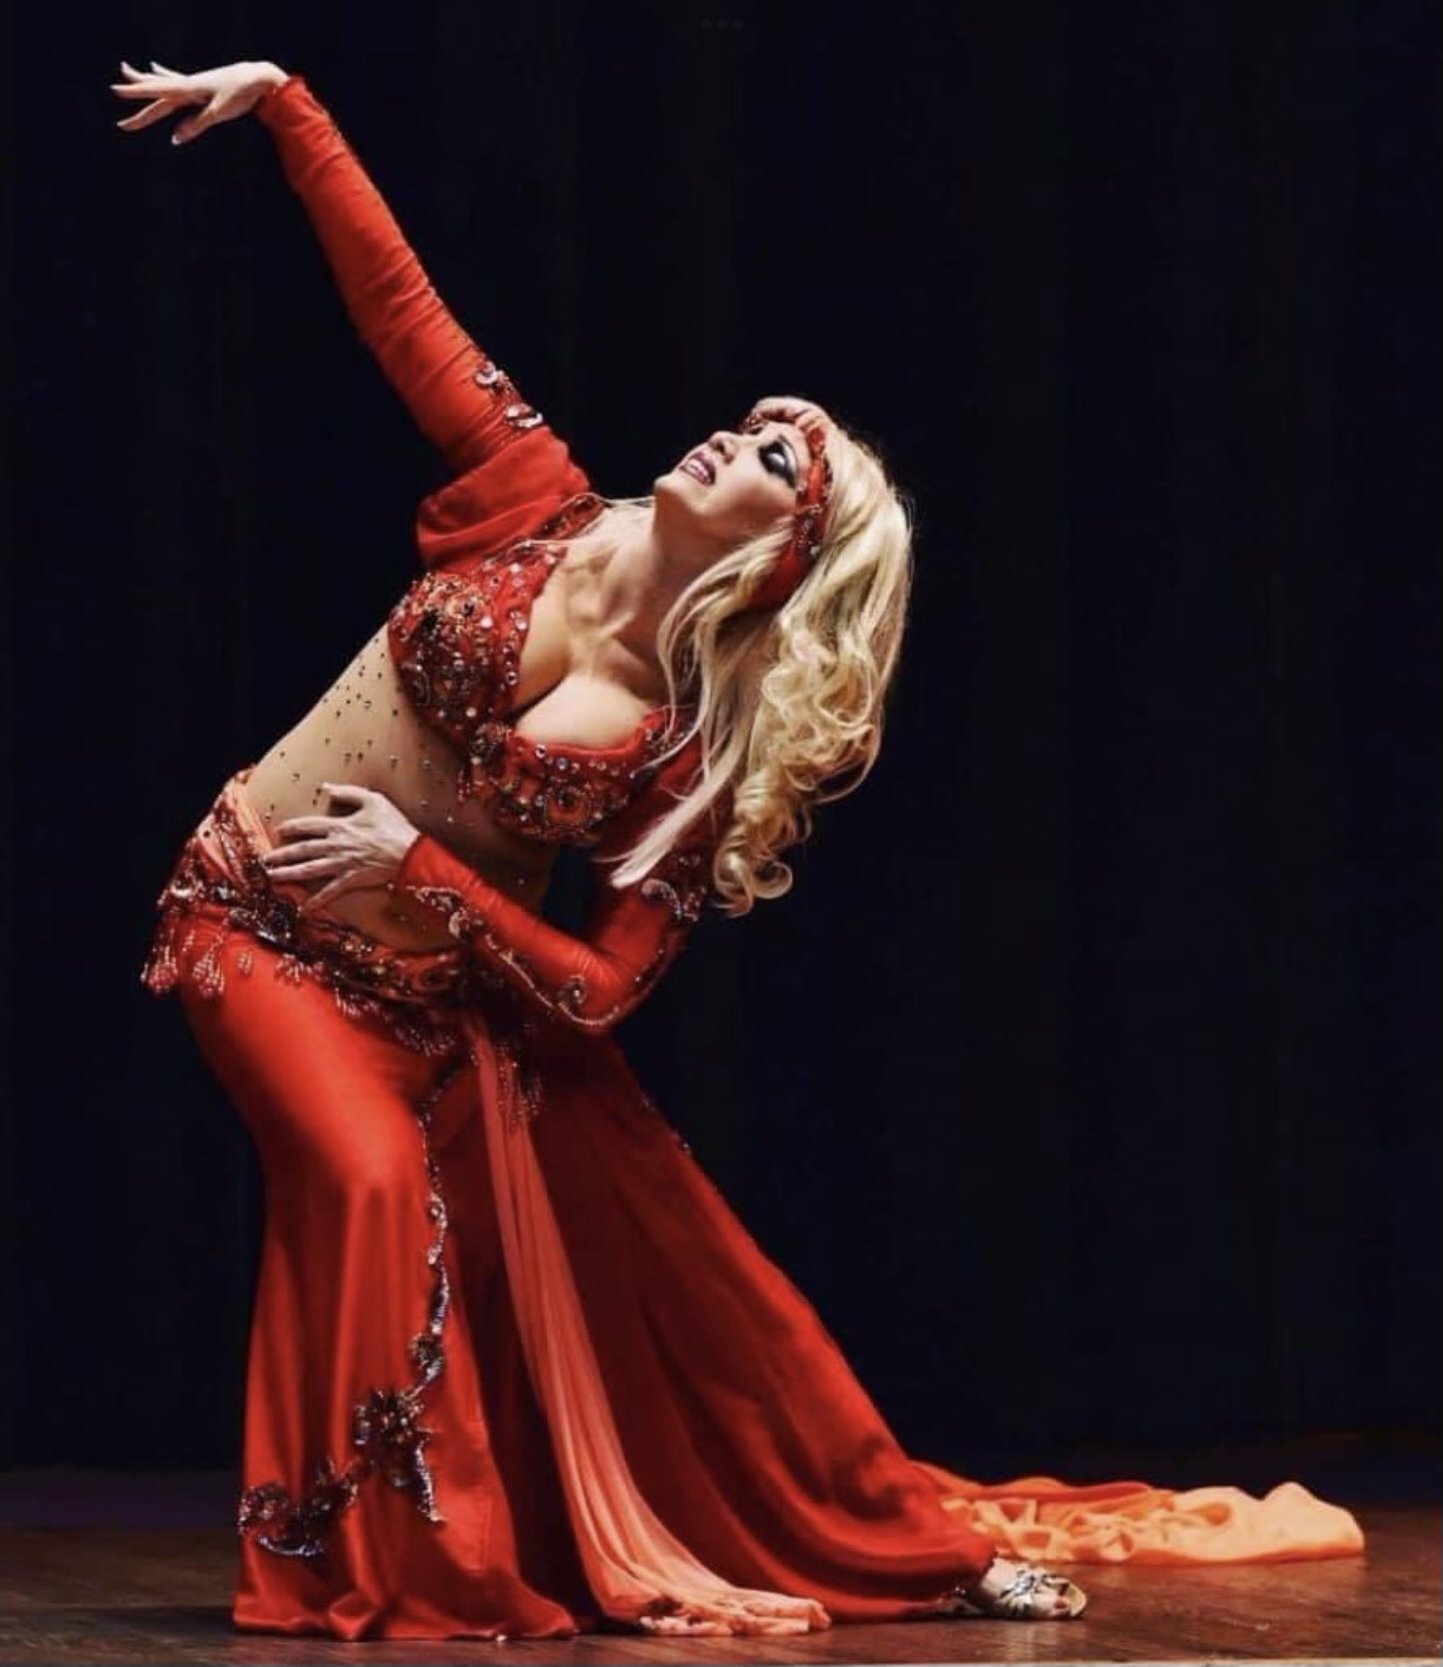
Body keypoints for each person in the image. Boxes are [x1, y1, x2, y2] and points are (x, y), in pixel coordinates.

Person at [116, 58, 1365, 1644]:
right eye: (756, 426)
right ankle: (368, 1565)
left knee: (577, 1240)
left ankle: (780, 1536)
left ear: (788, 561)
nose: (734, 440)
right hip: (245, 912)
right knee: (367, 1183)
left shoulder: (686, 758)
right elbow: (400, 307)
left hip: (426, 1002)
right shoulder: (532, 500)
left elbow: (602, 992)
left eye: (781, 463)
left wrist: (420, 872)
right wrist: (289, 107)